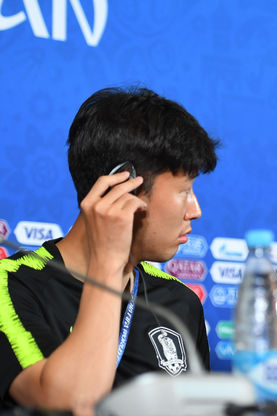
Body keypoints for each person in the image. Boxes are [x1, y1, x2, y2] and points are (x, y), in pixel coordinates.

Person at [0, 87, 219, 414]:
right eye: (184, 191)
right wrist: (109, 261)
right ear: (122, 187)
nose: (195, 211)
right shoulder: (13, 286)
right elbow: (72, 402)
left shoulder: (179, 303)